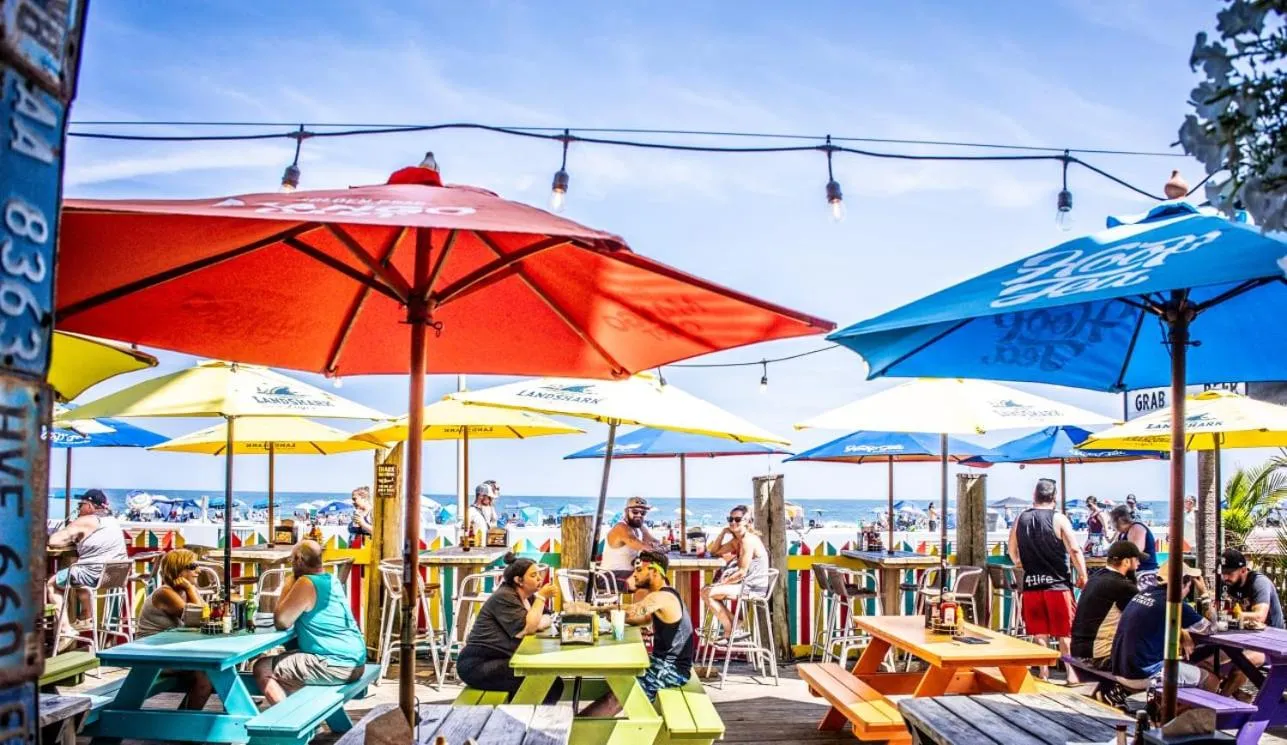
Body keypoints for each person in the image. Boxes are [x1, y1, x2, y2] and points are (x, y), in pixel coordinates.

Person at [251, 541, 367, 704]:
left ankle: (288, 721)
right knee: (288, 657)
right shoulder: (331, 579)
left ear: (298, 559)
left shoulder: (306, 582)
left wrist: (288, 583)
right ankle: (301, 711)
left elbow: (281, 622)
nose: (291, 563)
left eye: (292, 559)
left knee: (262, 668)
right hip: (355, 661)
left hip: (335, 664)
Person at [584, 551, 695, 715]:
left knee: (617, 697)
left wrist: (590, 609)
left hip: (670, 670)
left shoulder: (663, 597)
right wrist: (611, 615)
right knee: (618, 683)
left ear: (655, 572)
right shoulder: (663, 596)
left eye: (639, 570)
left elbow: (633, 611)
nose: (634, 575)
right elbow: (642, 620)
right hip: (663, 664)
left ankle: (574, 736)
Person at [455, 553, 562, 702]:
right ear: (518, 580)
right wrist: (542, 598)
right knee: (549, 683)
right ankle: (527, 721)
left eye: (539, 574)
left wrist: (537, 619)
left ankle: (528, 718)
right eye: (533, 575)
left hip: (501, 659)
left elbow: (547, 617)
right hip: (478, 664)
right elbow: (528, 628)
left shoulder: (527, 596)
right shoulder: (505, 597)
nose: (539, 579)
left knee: (549, 680)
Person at [1008, 478, 1087, 680]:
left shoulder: (1021, 519)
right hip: (1057, 585)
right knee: (1065, 633)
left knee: (1039, 632)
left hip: (1032, 585)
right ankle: (1070, 673)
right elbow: (1075, 550)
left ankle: (1043, 672)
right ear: (1054, 497)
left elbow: (1011, 549)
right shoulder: (1059, 518)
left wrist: (1019, 562)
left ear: (1034, 496)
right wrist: (1083, 574)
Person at [1110, 558, 1217, 691]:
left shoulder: (1145, 593)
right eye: (1190, 585)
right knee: (1211, 680)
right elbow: (1211, 628)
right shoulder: (1174, 603)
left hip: (1120, 669)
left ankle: (1178, 708)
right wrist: (1204, 594)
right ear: (1184, 584)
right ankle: (1188, 711)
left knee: (1190, 665)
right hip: (1143, 673)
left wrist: (1183, 632)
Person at [46, 489, 129, 645]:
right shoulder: (112, 521)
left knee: (52, 582)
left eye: (81, 505)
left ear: (90, 506)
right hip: (114, 575)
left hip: (92, 573)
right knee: (76, 575)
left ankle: (65, 629)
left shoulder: (86, 520)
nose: (78, 509)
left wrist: (70, 534)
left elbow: (54, 541)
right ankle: (86, 617)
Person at [136, 549, 214, 709]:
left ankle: (186, 718)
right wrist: (191, 589)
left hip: (169, 651)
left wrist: (191, 589)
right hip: (152, 656)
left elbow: (206, 614)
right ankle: (186, 724)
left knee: (210, 673)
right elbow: (197, 619)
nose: (198, 570)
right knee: (206, 676)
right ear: (177, 569)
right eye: (193, 566)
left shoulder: (184, 591)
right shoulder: (165, 593)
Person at [1218, 548, 1284, 696]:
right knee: (1211, 660)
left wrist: (1237, 615)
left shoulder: (1259, 583)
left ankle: (1218, 706)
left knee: (1242, 665)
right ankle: (1240, 698)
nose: (1226, 577)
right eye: (1224, 573)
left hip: (1271, 643)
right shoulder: (1230, 585)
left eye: (1230, 573)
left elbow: (1260, 616)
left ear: (1243, 570)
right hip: (1248, 638)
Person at [701, 505, 769, 643]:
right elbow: (714, 552)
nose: (733, 522)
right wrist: (722, 533)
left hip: (753, 587)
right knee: (705, 591)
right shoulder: (737, 540)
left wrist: (721, 583)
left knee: (708, 592)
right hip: (746, 585)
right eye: (730, 519)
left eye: (737, 519)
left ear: (748, 522)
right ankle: (735, 624)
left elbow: (742, 572)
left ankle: (729, 630)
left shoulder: (747, 540)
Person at [1070, 541, 1142, 669]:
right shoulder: (1123, 586)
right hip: (1099, 655)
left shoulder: (1096, 577)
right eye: (1136, 560)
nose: (1139, 564)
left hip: (1077, 650)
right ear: (1126, 562)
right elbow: (1141, 619)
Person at [602, 497, 664, 585]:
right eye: (635, 512)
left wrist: (657, 546)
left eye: (643, 513)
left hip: (628, 573)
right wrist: (658, 548)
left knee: (655, 577)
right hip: (610, 576)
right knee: (648, 581)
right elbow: (644, 547)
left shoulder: (639, 527)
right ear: (626, 511)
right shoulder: (621, 528)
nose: (639, 515)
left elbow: (654, 542)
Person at [1110, 504, 1159, 588]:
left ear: (1118, 520)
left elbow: (1134, 552)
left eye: (1111, 521)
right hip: (1133, 573)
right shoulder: (1124, 532)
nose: (1111, 525)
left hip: (1144, 573)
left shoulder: (1136, 528)